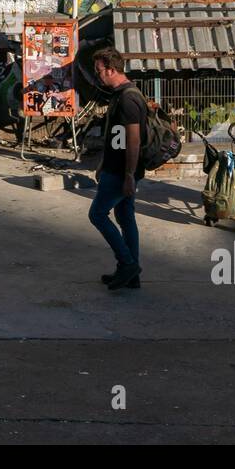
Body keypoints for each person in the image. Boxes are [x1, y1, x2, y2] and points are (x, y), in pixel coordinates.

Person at [88, 46, 147, 291]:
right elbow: (116, 136)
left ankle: (127, 264)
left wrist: (129, 176)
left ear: (111, 70)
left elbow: (133, 140)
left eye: (99, 71)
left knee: (97, 215)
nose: (97, 75)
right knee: (125, 217)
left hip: (122, 171)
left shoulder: (128, 99)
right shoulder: (120, 94)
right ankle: (131, 274)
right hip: (114, 168)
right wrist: (102, 163)